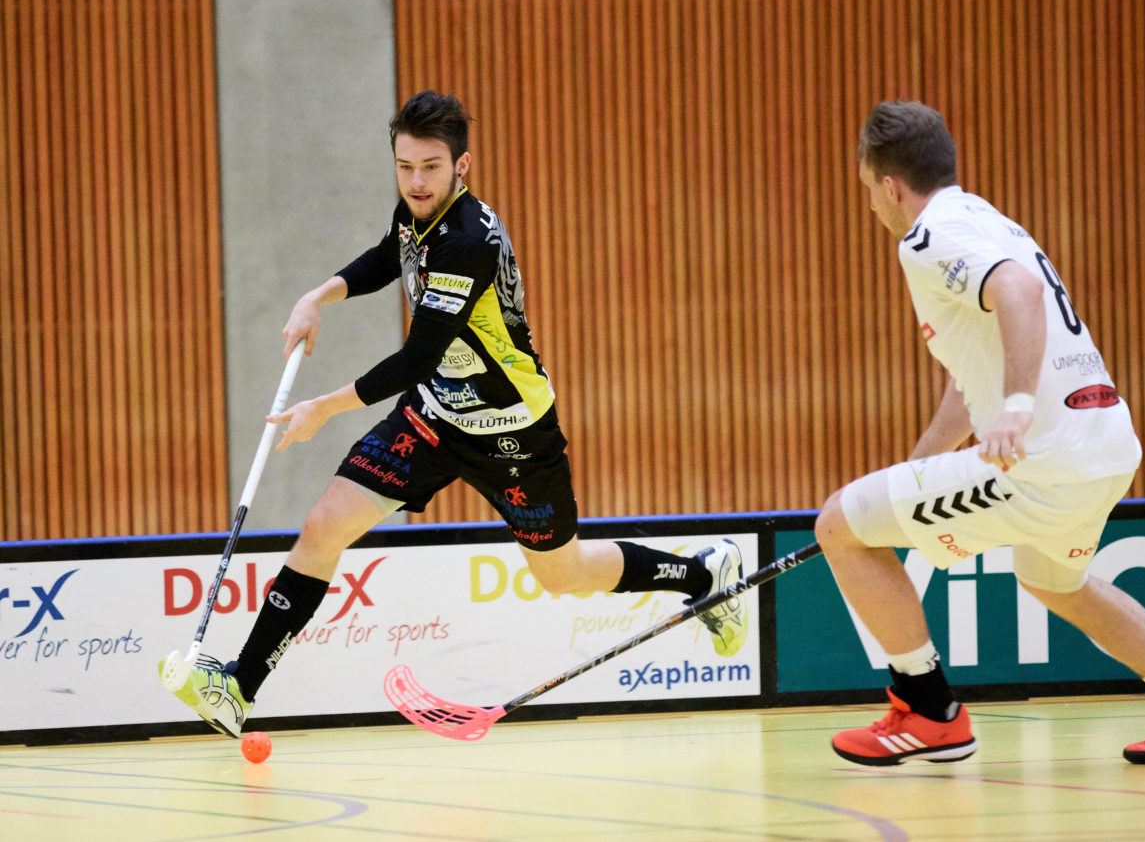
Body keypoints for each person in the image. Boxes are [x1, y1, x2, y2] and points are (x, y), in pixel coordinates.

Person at [162, 90, 746, 737]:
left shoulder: (467, 241)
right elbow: (388, 257)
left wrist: (324, 407)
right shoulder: (416, 215)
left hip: (513, 431)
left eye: (431, 167)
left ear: (461, 167)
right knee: (325, 523)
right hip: (436, 417)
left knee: (564, 573)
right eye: (405, 166)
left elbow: (416, 356)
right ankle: (239, 686)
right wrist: (316, 296)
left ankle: (702, 572)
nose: (416, 181)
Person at [815, 100, 1145, 766]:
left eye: (866, 191)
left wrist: (1018, 407)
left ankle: (928, 710)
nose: (872, 207)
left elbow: (1019, 294)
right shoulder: (987, 218)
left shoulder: (928, 240)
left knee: (838, 527)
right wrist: (919, 467)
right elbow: (974, 369)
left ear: (888, 184)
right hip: (1105, 440)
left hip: (1044, 458)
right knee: (1054, 579)